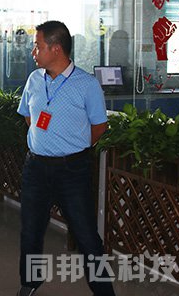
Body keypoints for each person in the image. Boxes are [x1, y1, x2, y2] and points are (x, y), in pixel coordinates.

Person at [16, 21, 115, 296]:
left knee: (86, 235)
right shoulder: (34, 79)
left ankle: (104, 291)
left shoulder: (87, 84)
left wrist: (74, 147)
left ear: (56, 48)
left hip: (72, 170)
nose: (33, 52)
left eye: (38, 46)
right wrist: (46, 142)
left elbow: (99, 126)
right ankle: (30, 282)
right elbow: (29, 116)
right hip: (36, 167)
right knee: (31, 231)